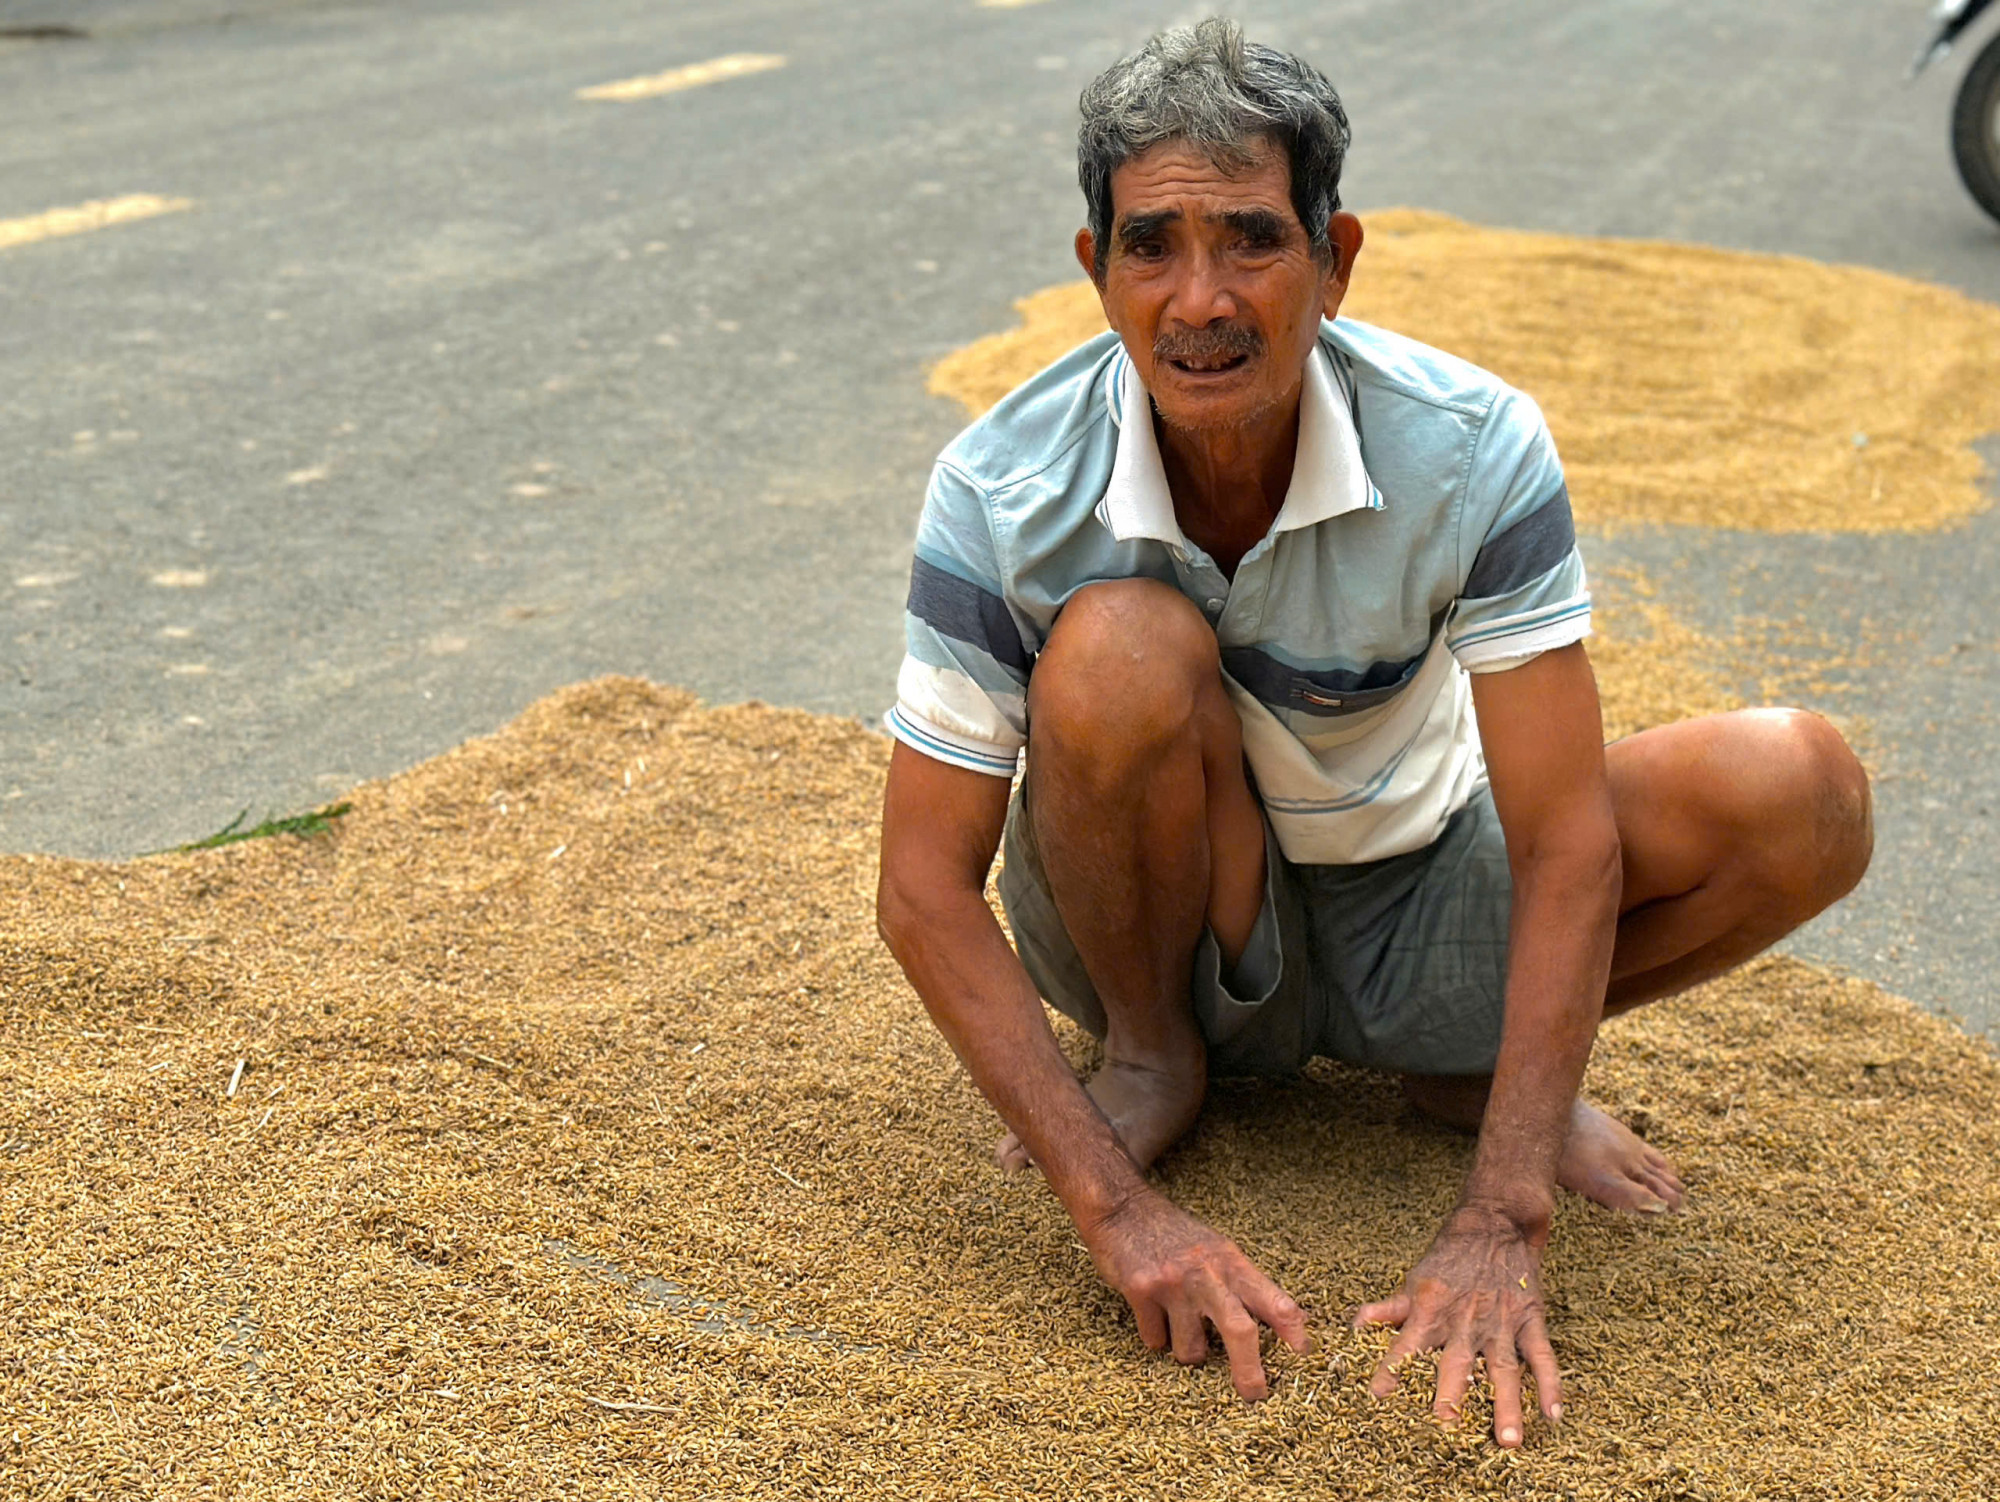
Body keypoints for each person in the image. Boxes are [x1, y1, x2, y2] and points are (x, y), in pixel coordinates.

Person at [874, 18, 1871, 1449]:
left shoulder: (1469, 447)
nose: (1201, 299)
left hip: (1414, 883)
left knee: (1806, 786)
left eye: (1253, 242)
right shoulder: (1000, 484)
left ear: (1337, 259)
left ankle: (1469, 1069)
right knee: (1117, 645)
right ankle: (1156, 1060)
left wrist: (1507, 1198)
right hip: (1161, 920)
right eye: (1152, 246)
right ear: (1093, 271)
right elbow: (921, 885)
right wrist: (1117, 1206)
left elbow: (1567, 835)